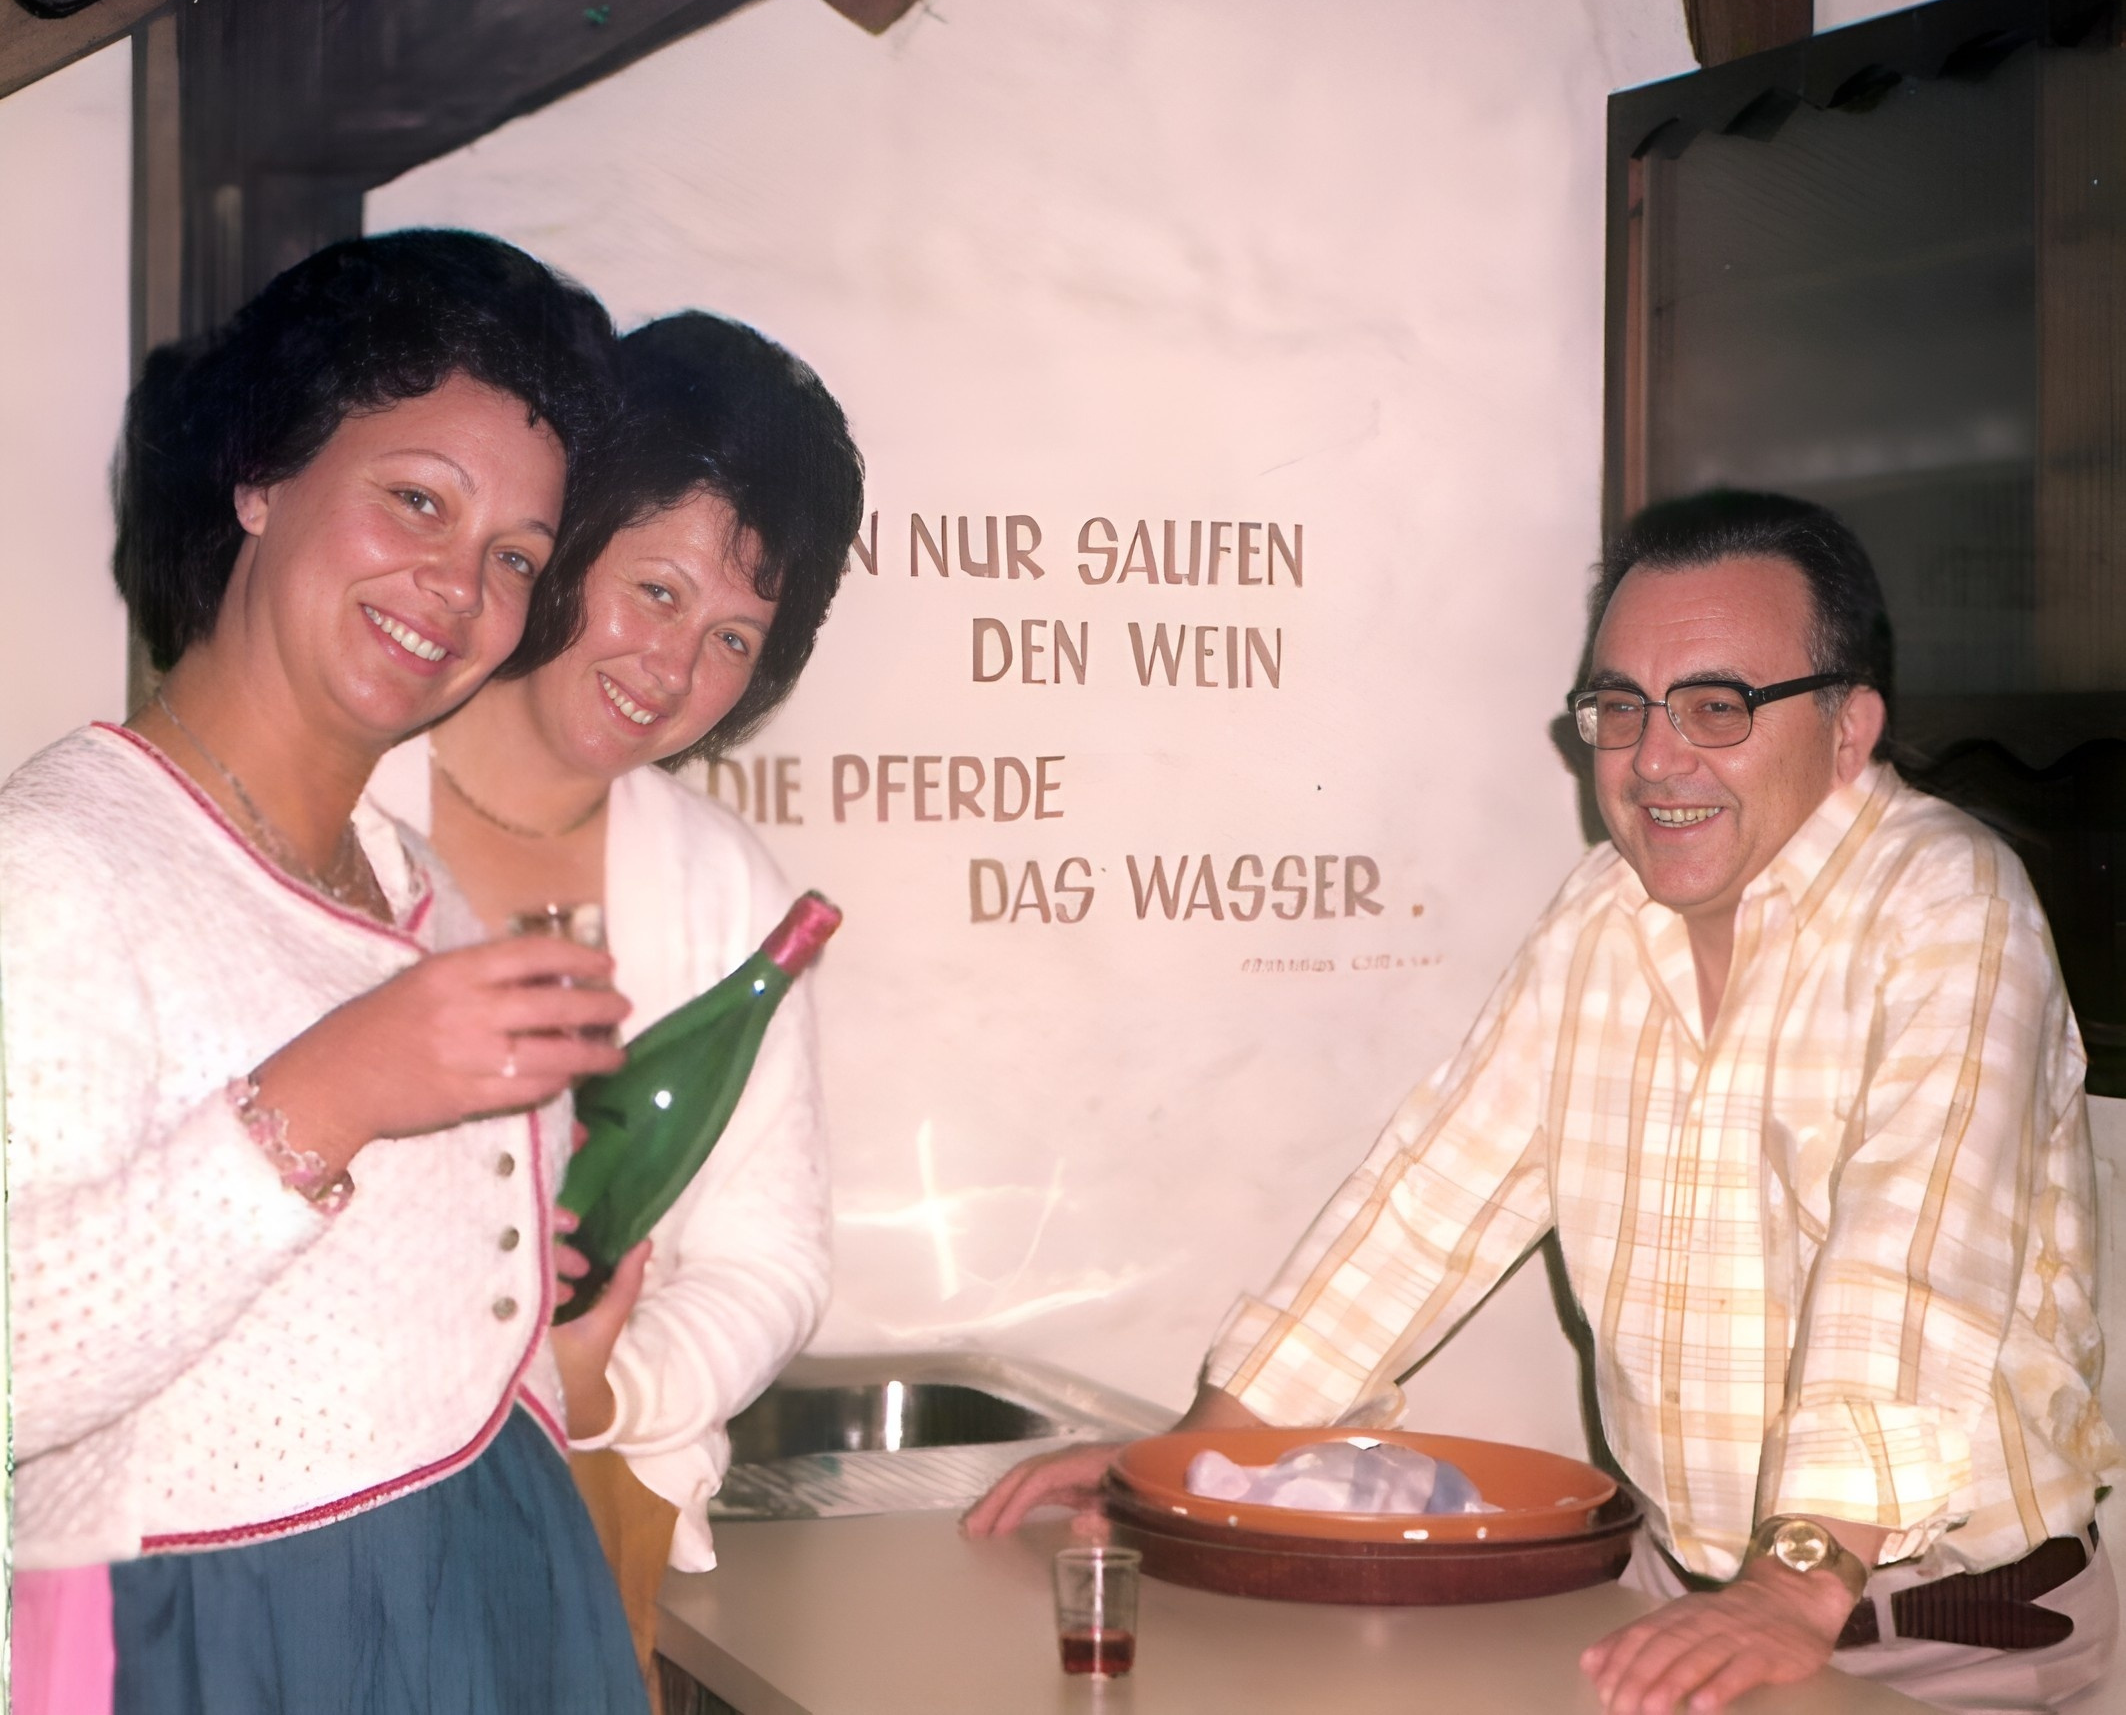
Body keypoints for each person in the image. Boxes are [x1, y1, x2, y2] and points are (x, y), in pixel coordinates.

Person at [969, 489, 2121, 1715]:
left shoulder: (1949, 904)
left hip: (1939, 1642)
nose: (1653, 757)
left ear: (1848, 728)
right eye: (1619, 707)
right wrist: (1186, 1469)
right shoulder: (1600, 916)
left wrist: (1790, 1585)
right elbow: (1421, 1208)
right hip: (1675, 1613)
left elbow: (1908, 1264)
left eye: (1715, 707)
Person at [0, 231, 653, 1715]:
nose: (455, 586)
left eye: (513, 559)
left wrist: (553, 1335)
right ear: (263, 473)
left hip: (493, 1572)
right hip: (206, 1625)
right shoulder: (53, 863)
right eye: (415, 497)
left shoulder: (423, 893)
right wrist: (334, 1089)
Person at [365, 309, 866, 1688]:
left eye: (731, 637)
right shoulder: (342, 799)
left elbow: (771, 1260)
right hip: (326, 1495)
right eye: (654, 591)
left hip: (586, 1508)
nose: (671, 667)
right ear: (569, 535)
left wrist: (608, 1389)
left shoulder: (724, 890)